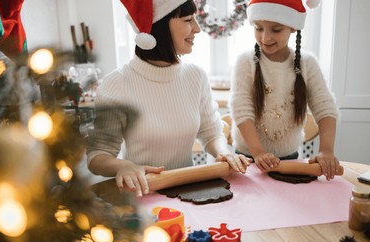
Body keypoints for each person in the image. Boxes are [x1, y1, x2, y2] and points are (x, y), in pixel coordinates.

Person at [86, 0, 251, 197]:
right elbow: (97, 156)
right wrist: (124, 166)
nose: (197, 29)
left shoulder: (195, 76)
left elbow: (211, 133)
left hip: (190, 193)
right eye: (188, 20)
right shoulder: (118, 83)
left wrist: (224, 152)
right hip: (144, 196)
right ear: (160, 26)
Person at [229, 0, 340, 180]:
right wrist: (259, 153)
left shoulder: (307, 63)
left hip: (290, 161)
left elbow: (325, 106)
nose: (265, 38)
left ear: (293, 27)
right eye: (258, 28)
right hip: (248, 161)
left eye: (276, 29)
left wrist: (326, 150)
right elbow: (241, 109)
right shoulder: (245, 61)